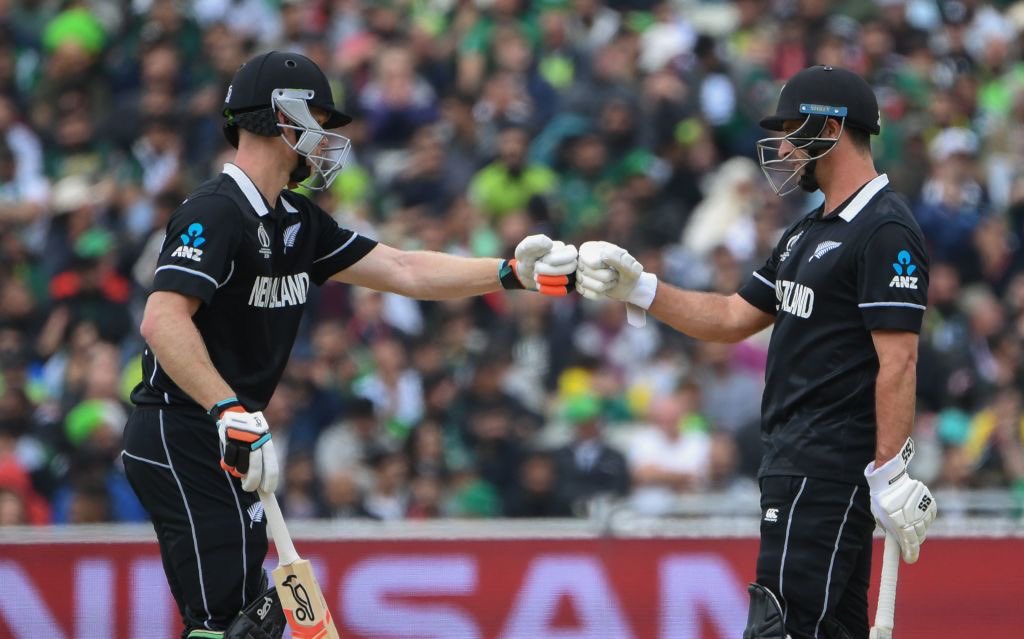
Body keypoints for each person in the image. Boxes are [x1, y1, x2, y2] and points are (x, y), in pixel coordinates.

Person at [120, 51, 578, 639]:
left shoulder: (297, 220)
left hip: (228, 433)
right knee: (230, 623)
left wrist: (512, 271)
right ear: (282, 118)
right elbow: (162, 321)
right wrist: (226, 408)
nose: (326, 139)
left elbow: (406, 269)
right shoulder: (215, 212)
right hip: (181, 429)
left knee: (249, 620)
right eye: (317, 120)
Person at [576, 65, 938, 639]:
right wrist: (639, 287)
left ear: (832, 127)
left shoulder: (884, 228)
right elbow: (729, 316)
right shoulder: (805, 233)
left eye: (796, 128)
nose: (787, 146)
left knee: (782, 627)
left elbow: (899, 359)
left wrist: (889, 470)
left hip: (826, 465)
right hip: (795, 461)